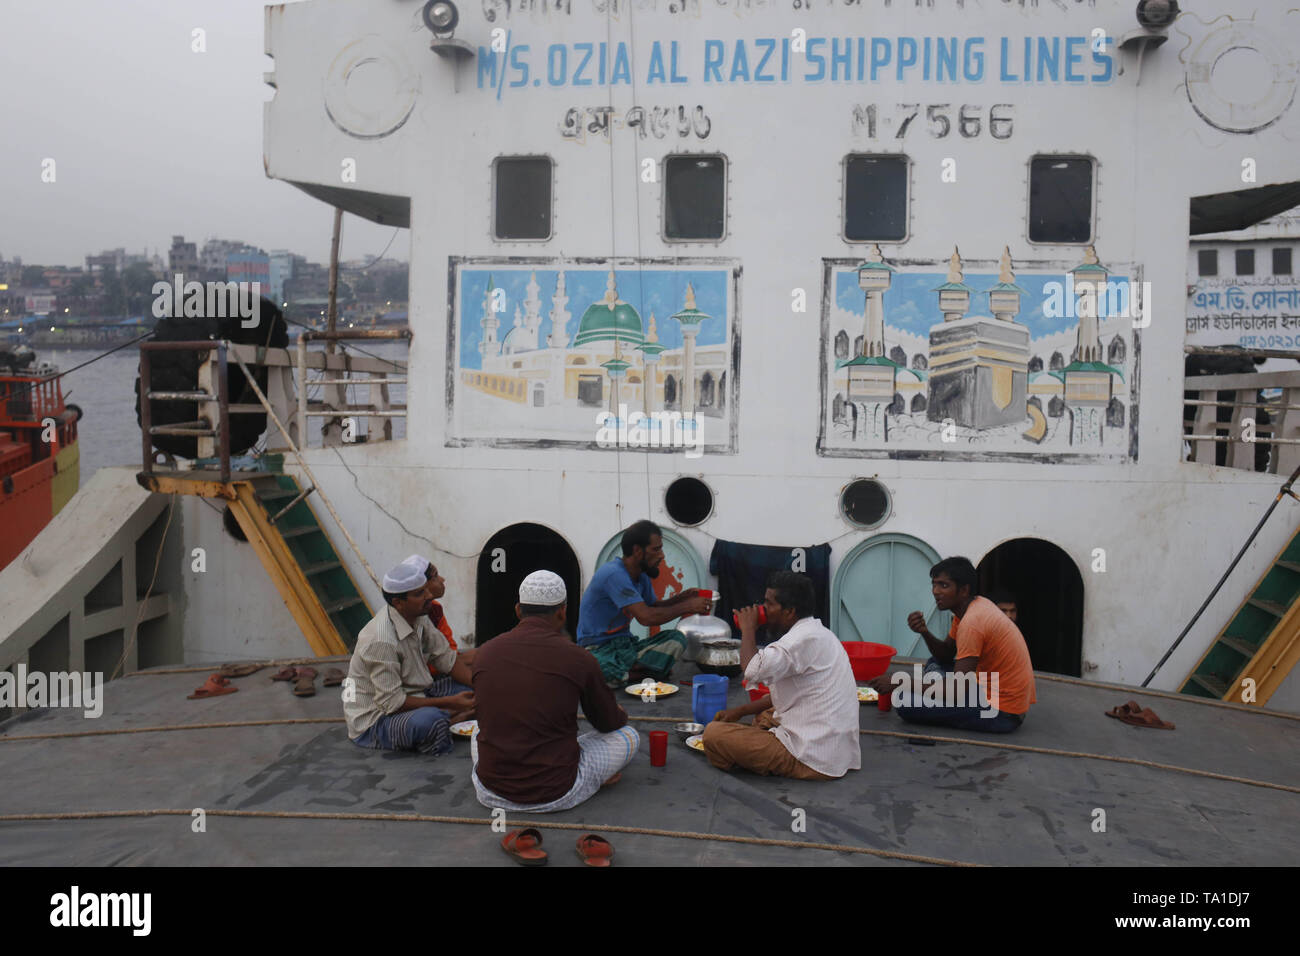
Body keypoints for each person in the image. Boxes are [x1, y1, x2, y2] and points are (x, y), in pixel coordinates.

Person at [471, 570, 640, 813]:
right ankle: (592, 779)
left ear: (519, 610)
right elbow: (607, 723)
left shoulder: (484, 653)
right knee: (629, 736)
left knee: (478, 727)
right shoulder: (579, 658)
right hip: (556, 792)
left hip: (491, 791)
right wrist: (619, 713)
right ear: (562, 612)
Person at [702, 571, 861, 780]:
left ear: (789, 611)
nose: (763, 610)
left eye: (769, 604)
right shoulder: (819, 633)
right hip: (835, 748)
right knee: (765, 715)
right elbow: (789, 696)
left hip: (811, 757)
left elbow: (751, 669)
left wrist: (747, 628)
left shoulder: (797, 641)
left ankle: (747, 756)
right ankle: (753, 745)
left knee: (713, 734)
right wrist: (740, 711)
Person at [871, 557, 1036, 734]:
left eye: (944, 585)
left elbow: (957, 691)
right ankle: (936, 686)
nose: (935, 591)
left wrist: (899, 682)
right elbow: (945, 655)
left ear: (964, 590)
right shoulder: (973, 607)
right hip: (990, 690)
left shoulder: (972, 623)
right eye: (934, 585)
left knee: (904, 701)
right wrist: (924, 632)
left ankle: (935, 687)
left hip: (1002, 712)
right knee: (935, 662)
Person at [343, 559, 476, 755]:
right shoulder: (380, 640)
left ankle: (452, 717)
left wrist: (482, 688)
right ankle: (449, 719)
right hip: (378, 721)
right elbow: (393, 703)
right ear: (398, 602)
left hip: (417, 694)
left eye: (425, 589)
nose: (429, 595)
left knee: (471, 690)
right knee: (431, 721)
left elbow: (447, 660)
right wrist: (449, 703)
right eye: (420, 593)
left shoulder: (420, 616)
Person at [576, 520, 712, 687]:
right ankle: (641, 672)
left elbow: (653, 607)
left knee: (677, 639)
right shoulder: (613, 574)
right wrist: (688, 606)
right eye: (656, 549)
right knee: (596, 669)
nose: (662, 555)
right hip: (597, 649)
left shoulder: (641, 575)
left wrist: (681, 598)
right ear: (637, 551)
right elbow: (646, 617)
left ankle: (632, 673)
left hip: (626, 646)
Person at [402, 554, 475, 668]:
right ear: (422, 585)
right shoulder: (407, 619)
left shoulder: (435, 609)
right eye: (435, 576)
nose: (442, 579)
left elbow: (450, 650)